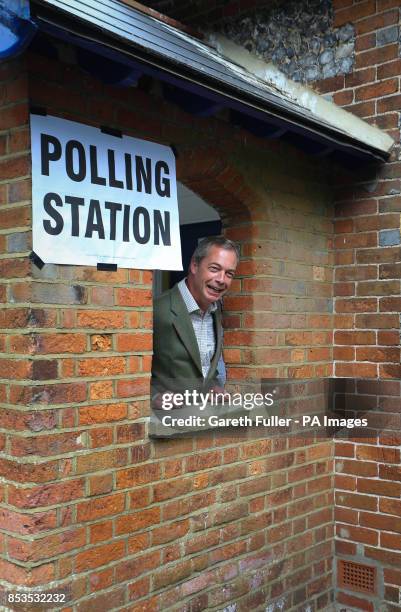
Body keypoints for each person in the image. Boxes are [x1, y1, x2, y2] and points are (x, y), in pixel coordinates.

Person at [151, 236, 239, 409]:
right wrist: (153, 396)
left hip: (201, 422)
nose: (222, 279)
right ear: (194, 266)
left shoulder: (216, 311)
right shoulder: (157, 310)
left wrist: (212, 386)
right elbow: (127, 369)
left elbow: (203, 367)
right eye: (214, 269)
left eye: (229, 273)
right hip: (164, 424)